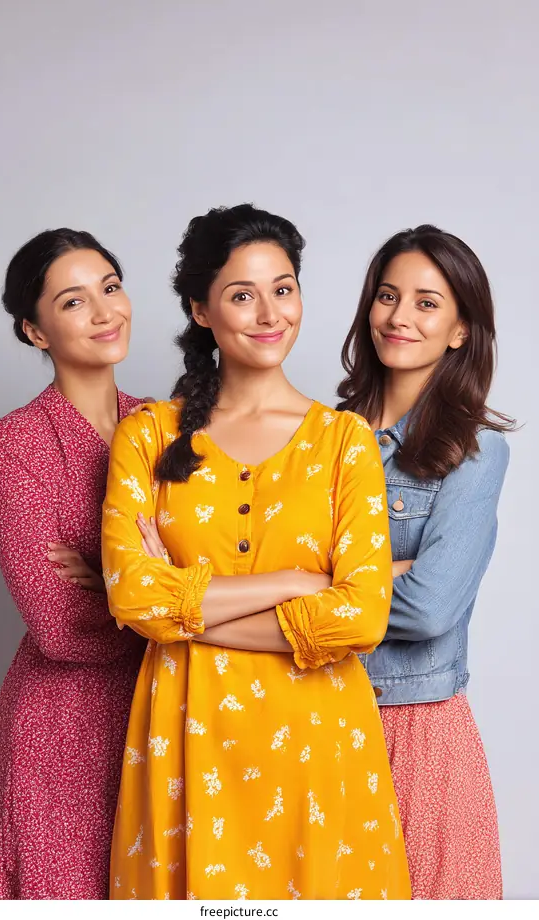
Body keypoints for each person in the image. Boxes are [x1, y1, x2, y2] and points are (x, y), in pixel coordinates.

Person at [102, 204, 411, 900]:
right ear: (201, 309)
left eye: (284, 287)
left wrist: (183, 611)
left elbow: (360, 620)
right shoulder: (148, 436)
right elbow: (131, 596)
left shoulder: (344, 442)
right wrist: (297, 581)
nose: (270, 312)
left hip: (317, 747)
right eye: (242, 294)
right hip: (186, 741)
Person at [0, 229, 151, 900]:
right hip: (63, 735)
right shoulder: (16, 444)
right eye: (74, 302)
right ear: (35, 330)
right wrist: (159, 587)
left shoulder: (169, 428)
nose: (106, 313)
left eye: (110, 287)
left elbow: (225, 574)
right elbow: (62, 629)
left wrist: (106, 573)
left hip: (167, 719)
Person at [336, 224, 514, 900]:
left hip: (415, 727)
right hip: (312, 714)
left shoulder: (474, 452)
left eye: (427, 302)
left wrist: (310, 583)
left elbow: (430, 607)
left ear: (461, 331)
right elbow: (251, 569)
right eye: (387, 296)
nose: (400, 316)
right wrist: (382, 575)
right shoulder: (317, 440)